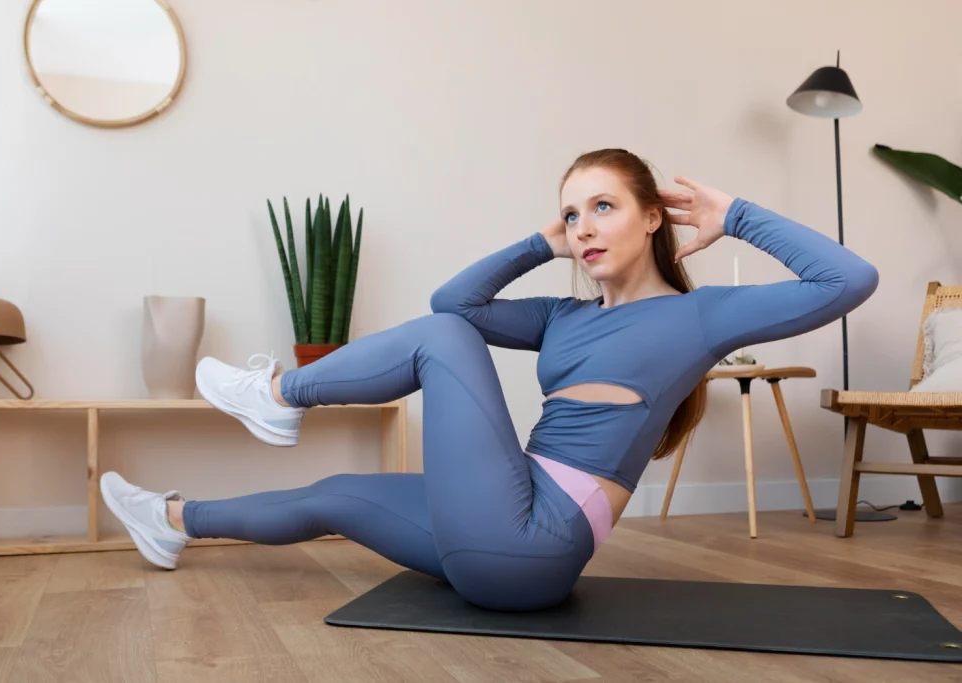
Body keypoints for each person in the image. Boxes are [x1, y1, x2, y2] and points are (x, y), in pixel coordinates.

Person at [100, 148, 879, 612]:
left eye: (603, 207)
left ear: (654, 218)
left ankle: (275, 399)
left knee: (439, 343)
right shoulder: (562, 317)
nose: (584, 228)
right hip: (500, 525)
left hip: (537, 542)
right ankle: (173, 519)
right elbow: (458, 303)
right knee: (335, 491)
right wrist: (539, 243)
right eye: (572, 215)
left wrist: (735, 212)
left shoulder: (701, 316)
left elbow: (849, 279)